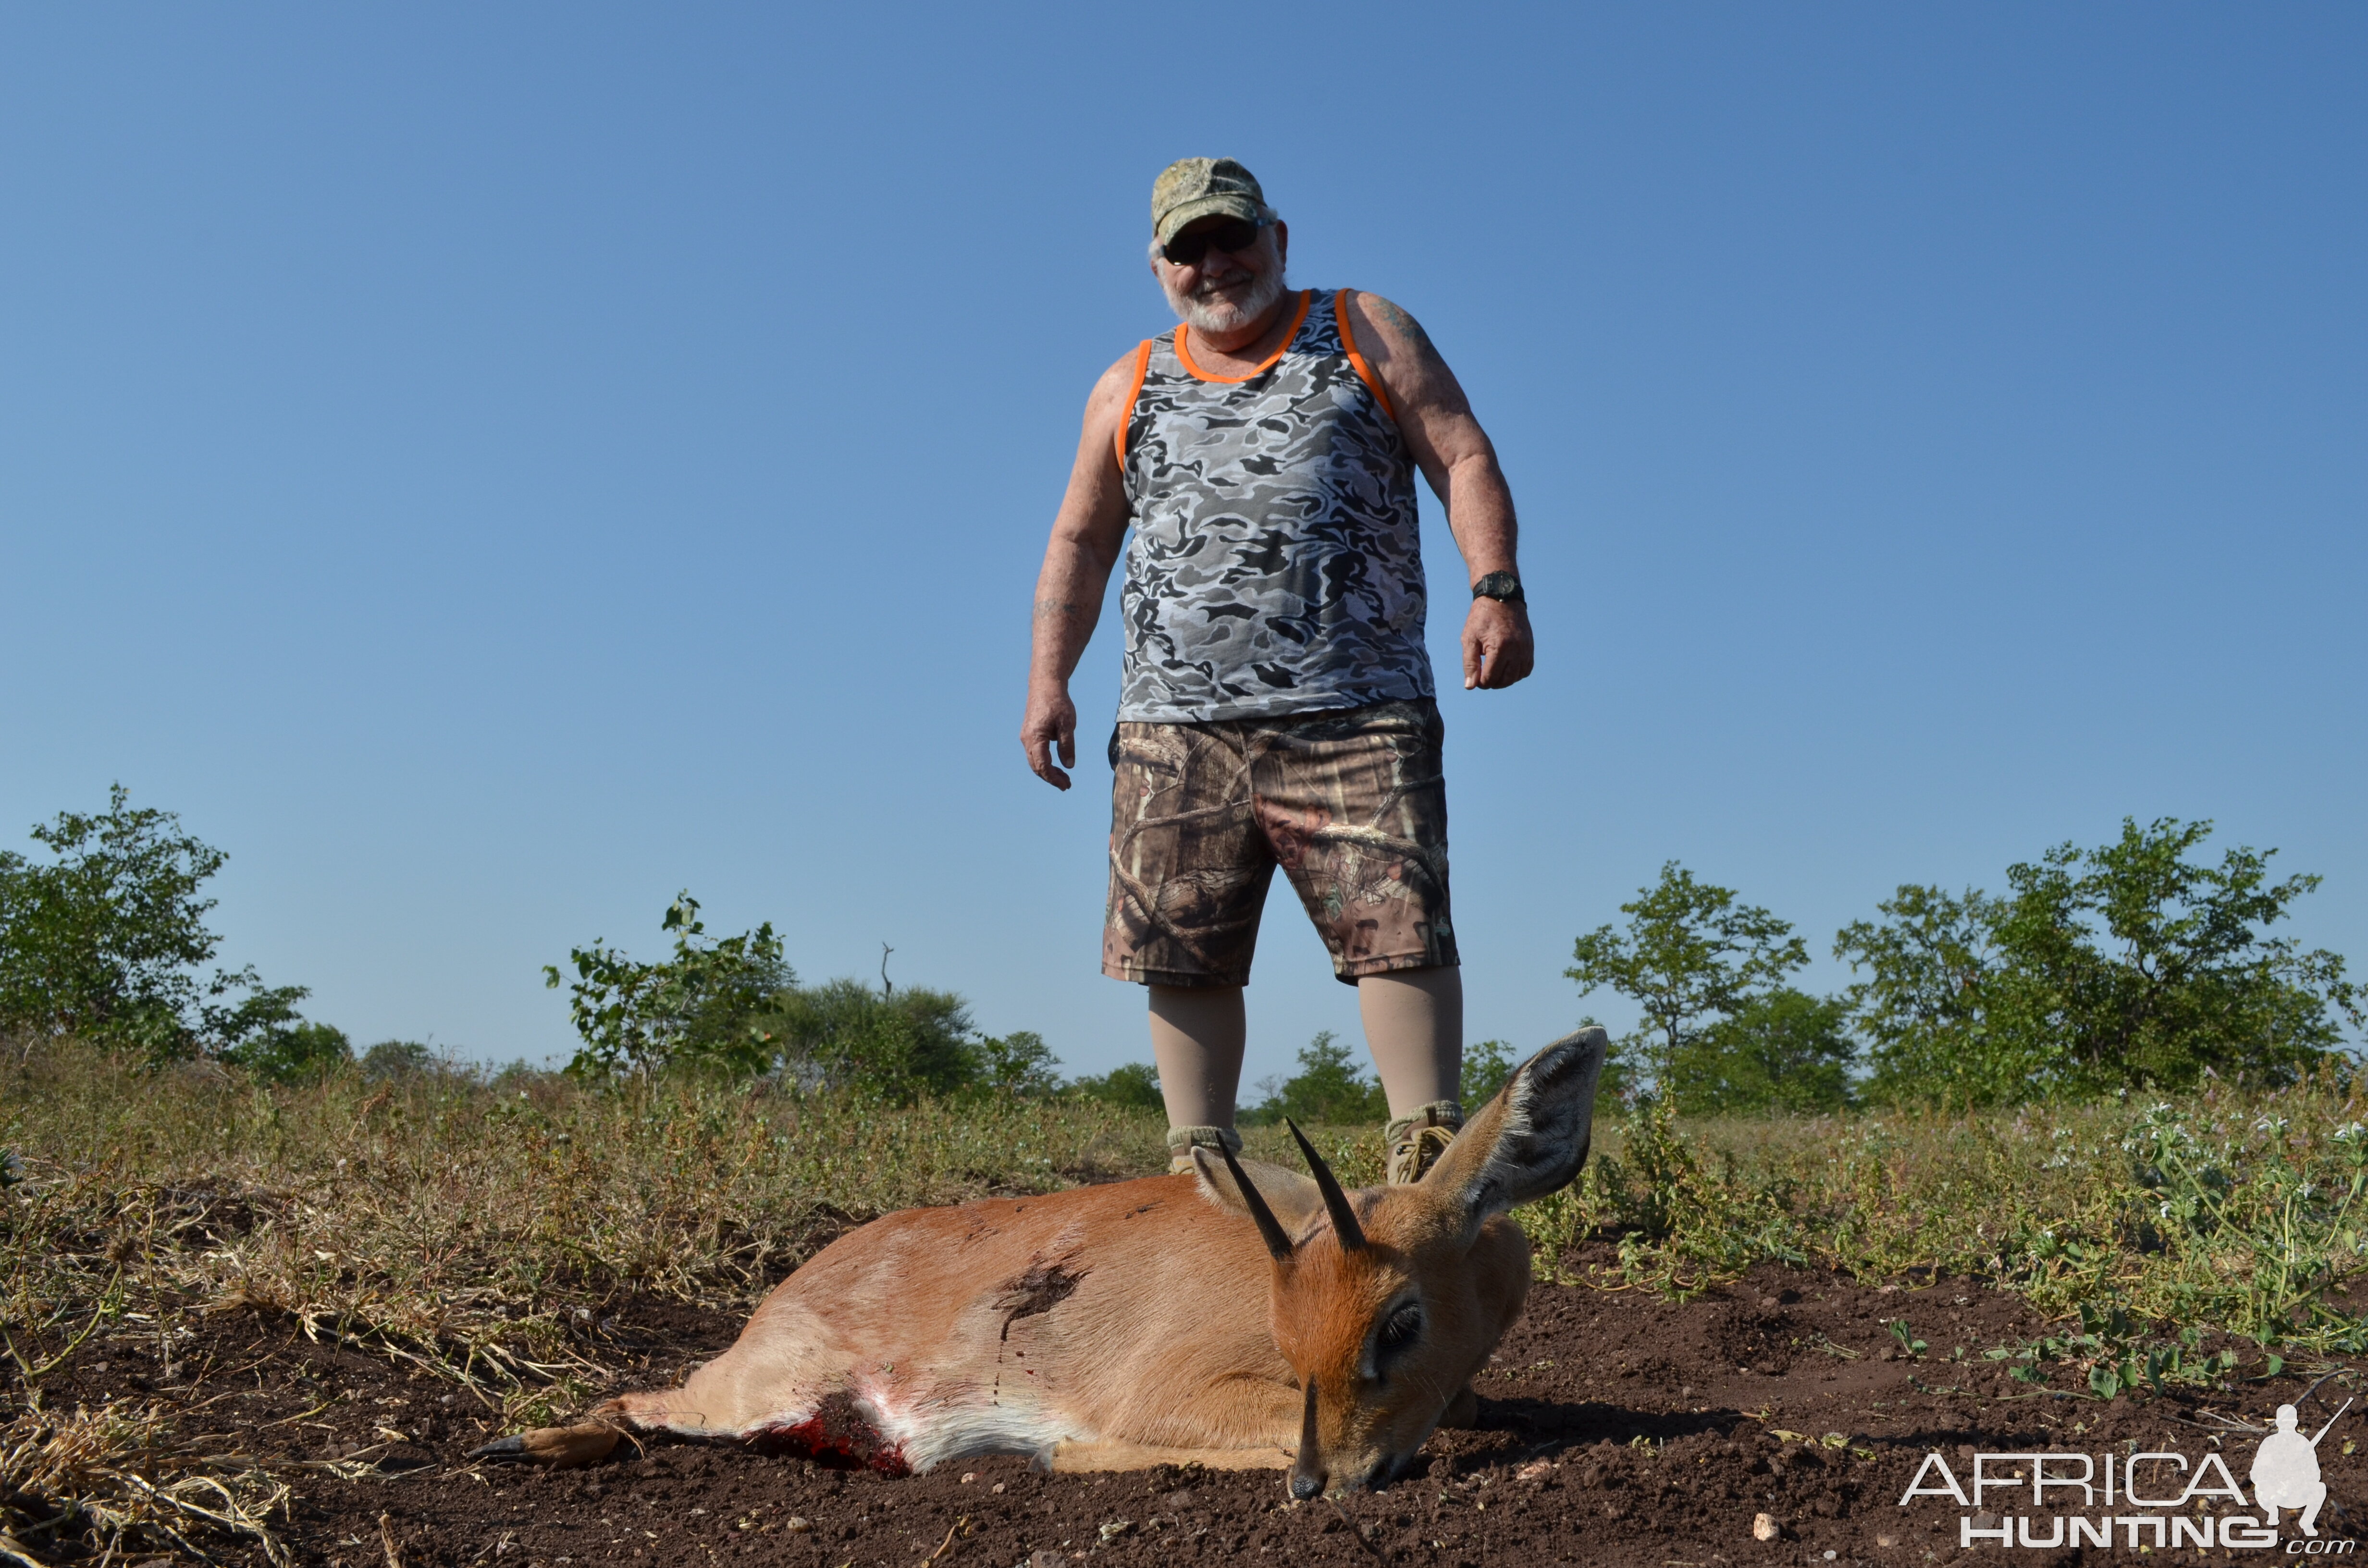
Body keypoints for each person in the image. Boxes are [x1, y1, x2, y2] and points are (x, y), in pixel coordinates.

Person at [1021, 157, 1534, 1184]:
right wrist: (1048, 680)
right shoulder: (1127, 381)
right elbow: (1080, 541)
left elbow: (1459, 451)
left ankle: (1425, 1154)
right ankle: (1201, 1163)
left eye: (1232, 238)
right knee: (1179, 946)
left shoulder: (1362, 327)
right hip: (1175, 722)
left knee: (1397, 925)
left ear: (1278, 238)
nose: (1214, 264)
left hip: (1355, 703)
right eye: (1187, 249)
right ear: (1158, 265)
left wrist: (1497, 588)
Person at [2252, 1401, 2338, 1535]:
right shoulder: (2270, 1443)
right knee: (2260, 1487)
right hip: (2274, 1493)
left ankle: (2307, 1522)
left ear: (2296, 1422)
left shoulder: (2303, 1443)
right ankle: (2273, 1513)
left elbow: (2315, 1473)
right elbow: (2257, 1473)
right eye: (2284, 1421)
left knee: (2320, 1488)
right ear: (2278, 1422)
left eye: (2290, 1421)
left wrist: (2300, 1475)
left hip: (2297, 1493)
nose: (2287, 1424)